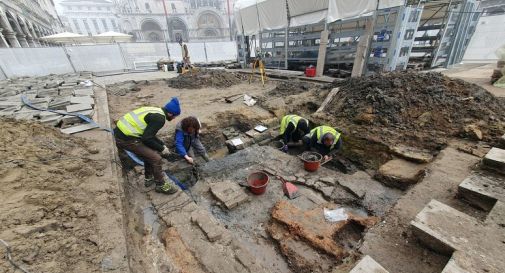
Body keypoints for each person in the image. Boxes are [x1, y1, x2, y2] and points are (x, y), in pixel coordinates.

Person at [114, 97, 181, 194]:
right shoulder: (160, 119)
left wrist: (162, 145)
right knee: (156, 158)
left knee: (150, 154)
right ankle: (161, 185)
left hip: (124, 133)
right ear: (170, 113)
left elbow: (149, 135)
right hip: (125, 139)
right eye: (174, 116)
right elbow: (147, 138)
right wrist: (161, 149)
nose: (174, 118)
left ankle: (148, 178)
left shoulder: (157, 111)